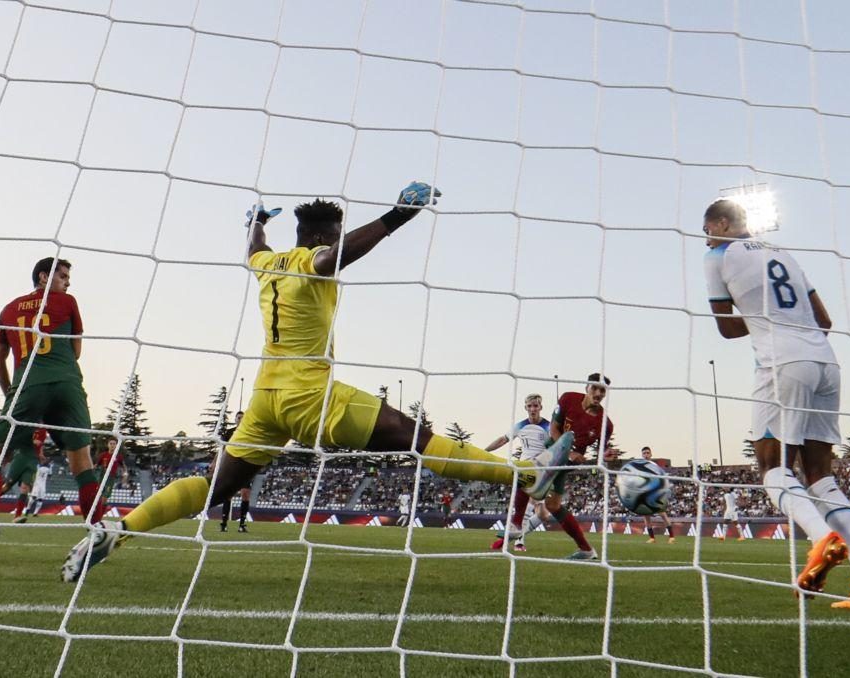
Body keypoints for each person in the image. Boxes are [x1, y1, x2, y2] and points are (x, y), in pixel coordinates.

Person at [62, 183, 574, 581]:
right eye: (334, 232)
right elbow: (334, 258)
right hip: (311, 396)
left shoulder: (268, 262)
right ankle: (525, 476)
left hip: (265, 400)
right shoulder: (313, 259)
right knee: (414, 438)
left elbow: (253, 248)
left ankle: (119, 530)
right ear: (322, 236)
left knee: (217, 486)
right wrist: (399, 216)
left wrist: (257, 222)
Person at [703, 198, 850, 610]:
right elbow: (824, 319)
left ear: (721, 223)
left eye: (708, 229)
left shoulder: (717, 255)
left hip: (782, 364)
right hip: (826, 362)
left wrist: (761, 321)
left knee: (772, 468)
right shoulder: (782, 252)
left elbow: (724, 327)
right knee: (820, 478)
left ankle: (820, 537)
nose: (706, 237)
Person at [0, 257, 105, 561]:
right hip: (68, 384)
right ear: (43, 277)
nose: (67, 282)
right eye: (62, 276)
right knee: (82, 463)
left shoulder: (9, 308)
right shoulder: (68, 302)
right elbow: (76, 351)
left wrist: (12, 391)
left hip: (27, 386)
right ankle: (96, 532)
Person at [504, 374, 613, 561]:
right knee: (541, 492)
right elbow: (554, 428)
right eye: (595, 388)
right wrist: (566, 450)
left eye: (602, 390)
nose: (598, 393)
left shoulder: (606, 424)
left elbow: (602, 452)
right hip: (551, 450)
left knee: (539, 489)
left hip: (567, 464)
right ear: (587, 387)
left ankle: (517, 525)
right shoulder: (568, 398)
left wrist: (606, 455)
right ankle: (585, 550)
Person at [487, 393, 552, 552]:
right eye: (529, 406)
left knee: (543, 515)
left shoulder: (549, 426)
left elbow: (557, 446)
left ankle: (510, 538)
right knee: (528, 504)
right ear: (526, 408)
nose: (532, 409)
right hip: (524, 469)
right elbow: (503, 439)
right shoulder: (520, 426)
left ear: (540, 407)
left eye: (535, 406)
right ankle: (517, 542)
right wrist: (485, 452)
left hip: (543, 468)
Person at [0, 427, 47, 524]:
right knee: (7, 486)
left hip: (33, 461)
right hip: (21, 457)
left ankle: (17, 516)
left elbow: (40, 443)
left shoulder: (43, 428)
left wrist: (41, 453)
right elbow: (19, 438)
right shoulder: (26, 422)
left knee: (25, 488)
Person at [217, 412, 251, 533]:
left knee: (245, 495)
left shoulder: (250, 432)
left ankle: (242, 524)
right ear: (235, 419)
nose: (240, 419)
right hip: (231, 467)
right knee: (228, 495)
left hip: (245, 467)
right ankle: (224, 523)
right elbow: (222, 449)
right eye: (238, 417)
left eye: (243, 418)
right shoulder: (229, 433)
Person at [638, 447, 676, 544]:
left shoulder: (654, 466)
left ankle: (671, 536)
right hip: (645, 493)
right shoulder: (640, 466)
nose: (646, 455)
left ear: (651, 454)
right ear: (642, 455)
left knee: (662, 514)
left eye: (647, 453)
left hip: (655, 492)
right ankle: (652, 538)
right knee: (646, 516)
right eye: (644, 453)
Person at [96, 436, 128, 501]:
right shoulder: (103, 455)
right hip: (102, 477)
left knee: (105, 497)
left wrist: (125, 474)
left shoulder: (118, 456)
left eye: (114, 444)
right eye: (111, 444)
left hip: (111, 479)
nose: (112, 445)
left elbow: (124, 466)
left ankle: (102, 509)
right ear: (108, 445)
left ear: (116, 445)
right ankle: (98, 509)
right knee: (98, 496)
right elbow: (96, 465)